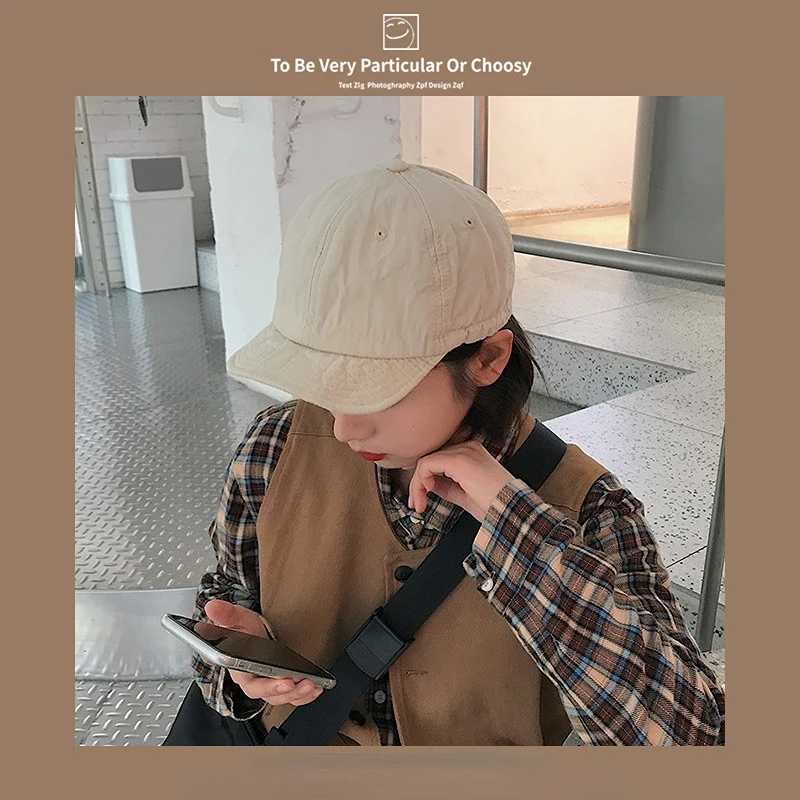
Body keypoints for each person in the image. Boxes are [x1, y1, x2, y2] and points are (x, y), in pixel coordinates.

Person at [190, 160, 725, 746]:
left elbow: (693, 739)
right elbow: (225, 594)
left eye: (379, 388)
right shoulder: (276, 447)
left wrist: (518, 531)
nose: (343, 426)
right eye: (325, 382)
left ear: (489, 359)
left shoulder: (586, 507)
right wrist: (240, 667)